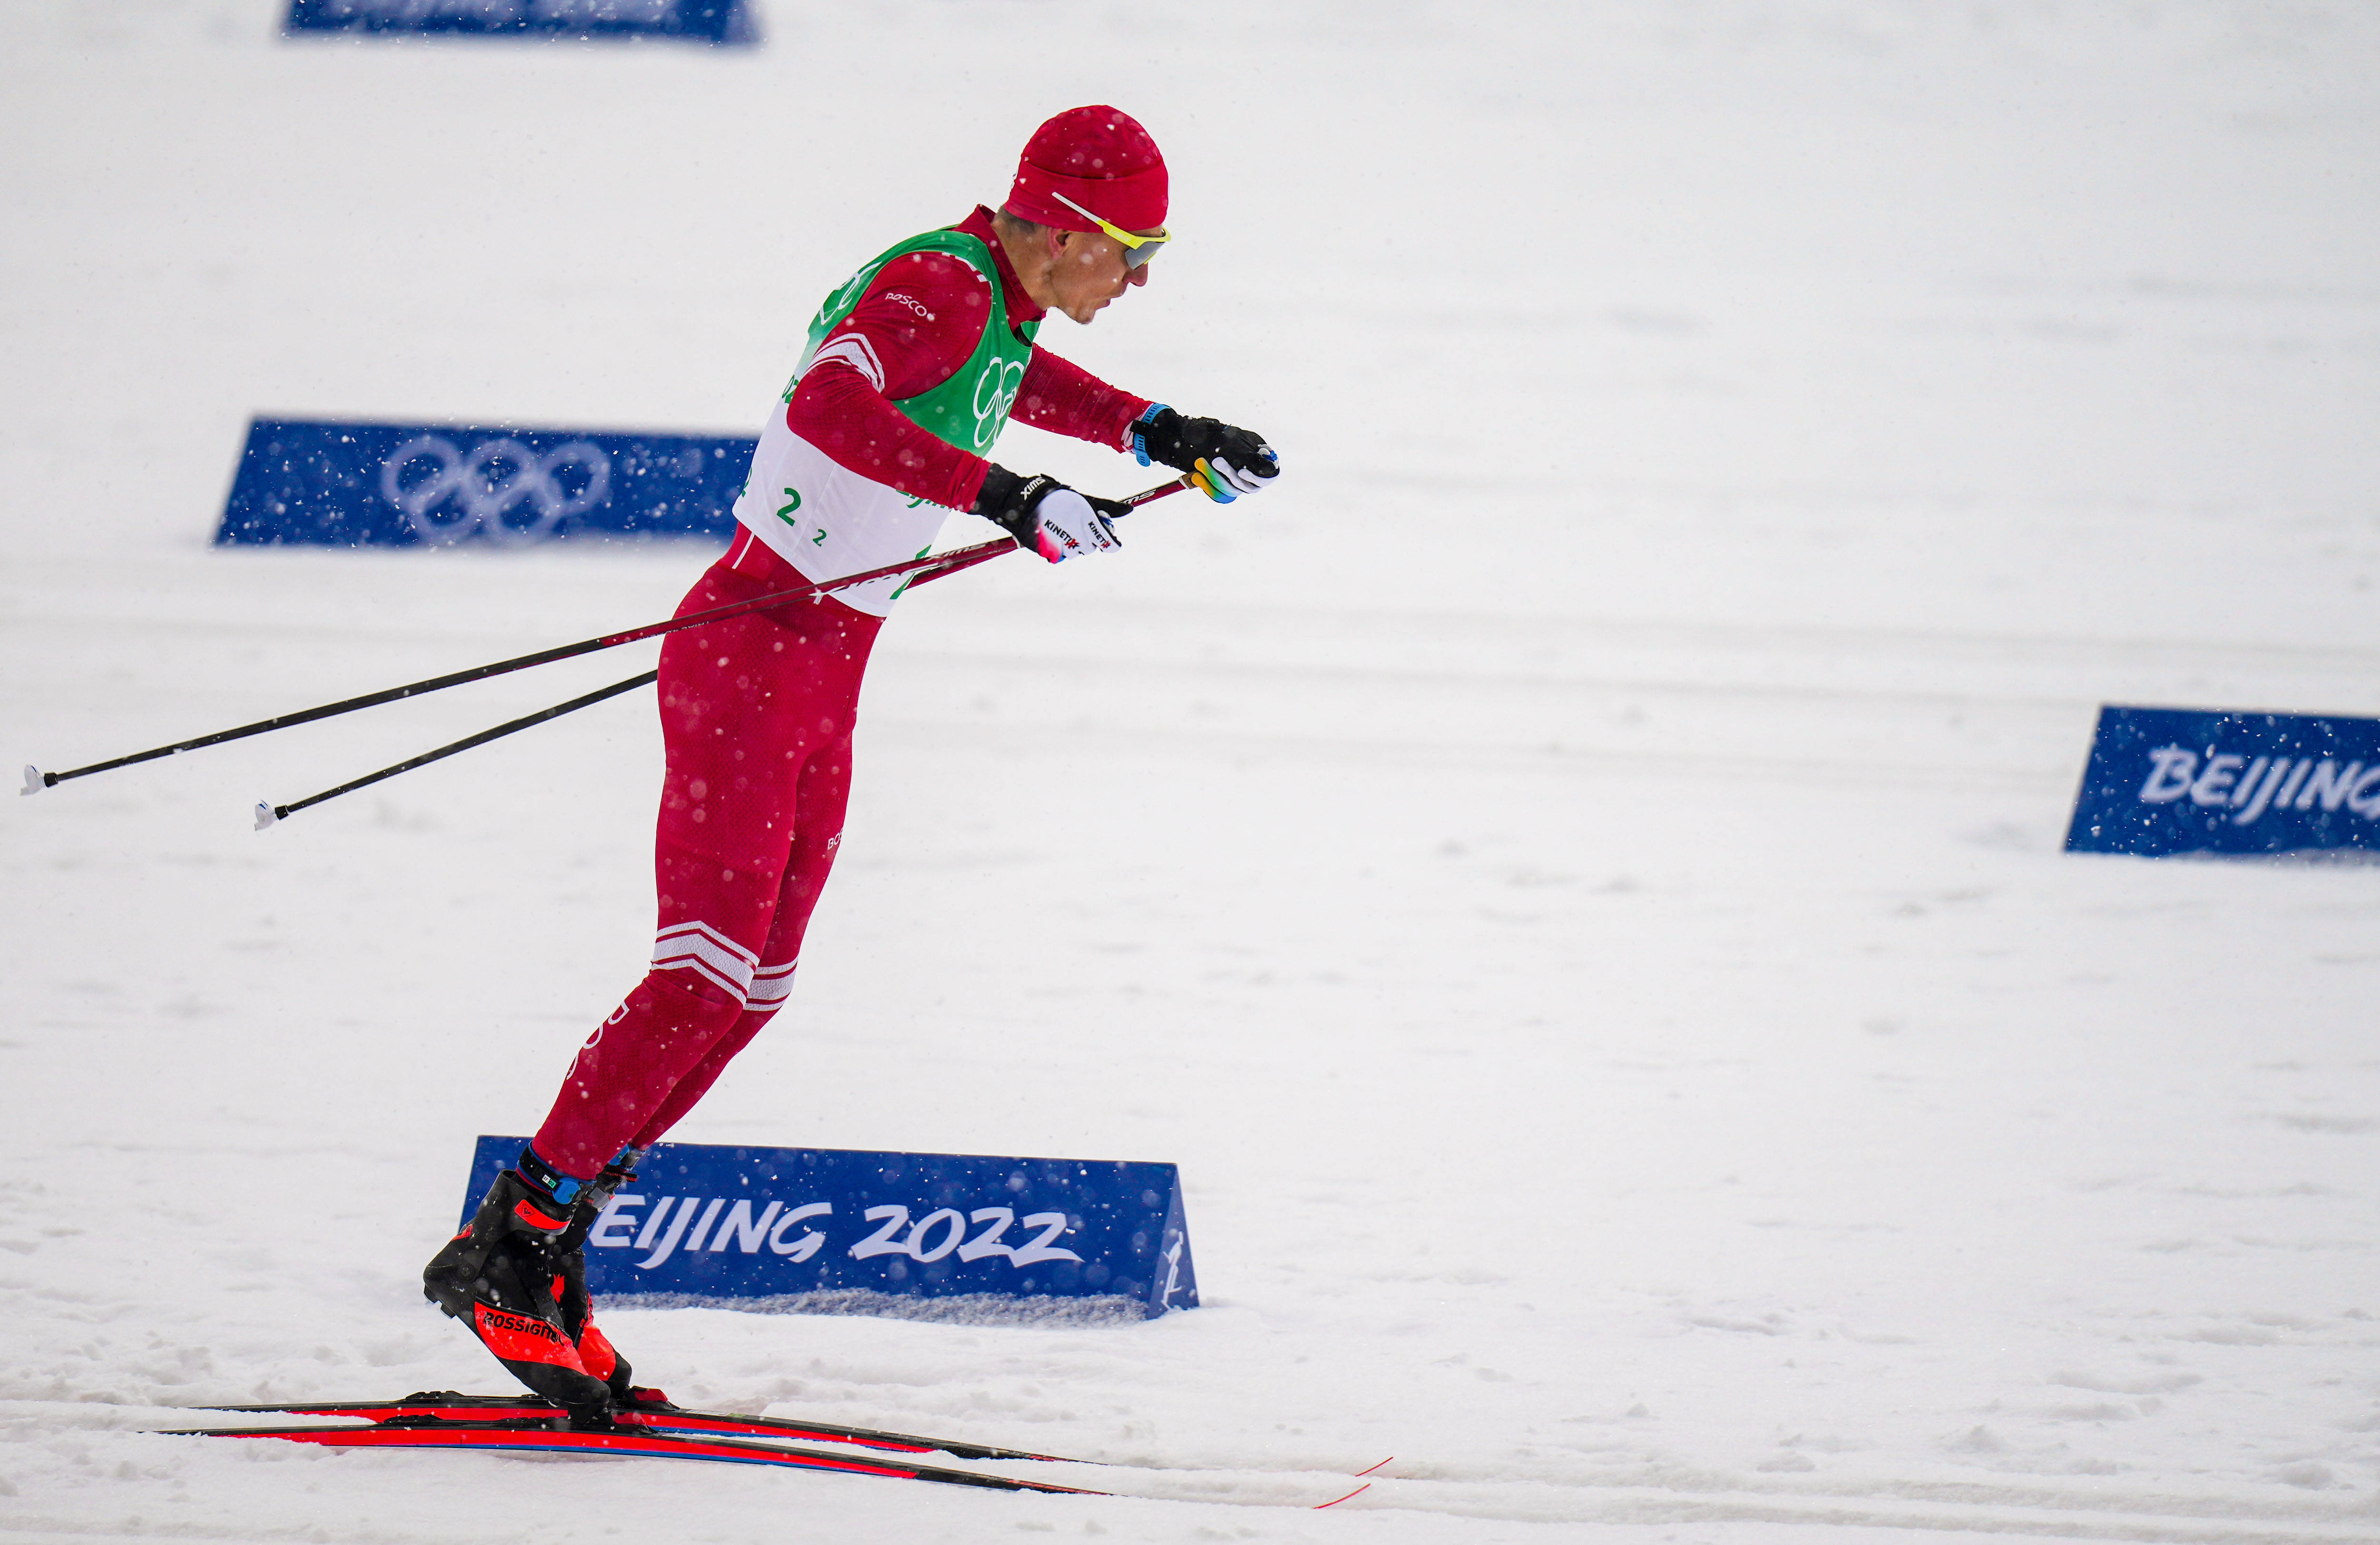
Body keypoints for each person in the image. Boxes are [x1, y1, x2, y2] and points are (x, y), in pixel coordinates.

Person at [421, 105, 1278, 1423]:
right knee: (698, 975)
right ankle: (512, 1246)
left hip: (822, 670)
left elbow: (1007, 382)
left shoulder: (999, 298)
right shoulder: (938, 276)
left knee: (749, 989)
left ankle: (552, 1241)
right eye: (1135, 247)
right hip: (756, 653)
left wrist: (1159, 432)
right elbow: (832, 401)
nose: (1143, 276)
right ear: (1063, 226)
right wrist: (1005, 497)